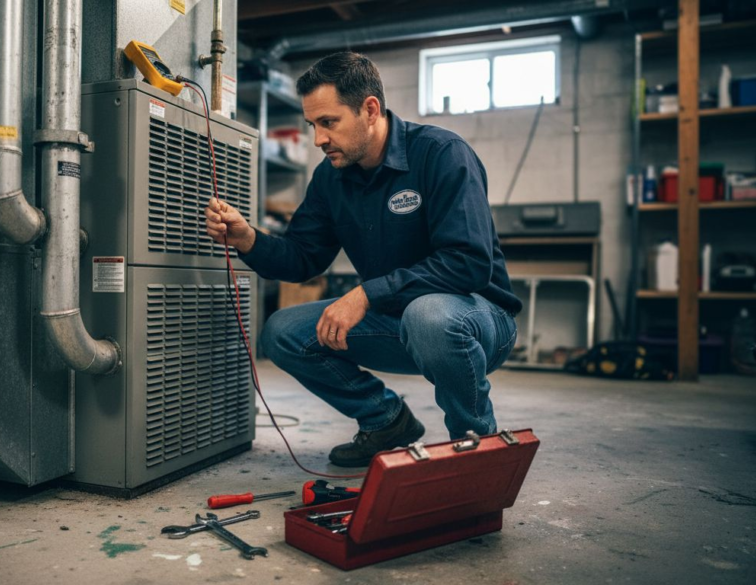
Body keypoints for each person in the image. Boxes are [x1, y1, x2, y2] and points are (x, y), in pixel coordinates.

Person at [205, 52, 522, 467]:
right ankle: (387, 421)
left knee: (428, 315)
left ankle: (477, 447)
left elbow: (468, 263)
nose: (318, 139)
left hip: (478, 319)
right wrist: (249, 239)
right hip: (399, 320)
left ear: (369, 109)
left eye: (329, 122)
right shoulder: (330, 177)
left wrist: (366, 295)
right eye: (313, 125)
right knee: (283, 331)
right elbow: (303, 257)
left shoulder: (442, 154)